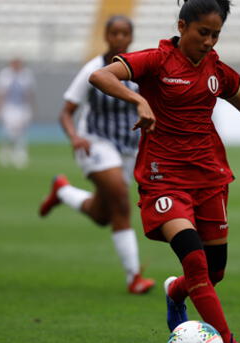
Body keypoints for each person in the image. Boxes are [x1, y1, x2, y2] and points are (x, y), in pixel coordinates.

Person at [88, 1, 240, 343]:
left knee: (213, 273)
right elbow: (101, 76)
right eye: (203, 33)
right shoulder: (156, 60)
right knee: (196, 262)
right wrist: (137, 100)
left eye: (216, 34)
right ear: (182, 26)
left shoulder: (217, 70)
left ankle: (175, 293)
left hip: (209, 178)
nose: (210, 41)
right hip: (163, 179)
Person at [38, 16, 155, 295]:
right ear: (106, 36)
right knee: (122, 205)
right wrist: (76, 138)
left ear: (131, 37)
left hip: (128, 148)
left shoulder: (138, 69)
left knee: (104, 214)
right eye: (114, 33)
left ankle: (62, 191)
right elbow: (66, 111)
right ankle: (134, 278)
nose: (119, 38)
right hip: (95, 142)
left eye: (124, 33)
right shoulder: (93, 69)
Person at [0, 58, 36, 169]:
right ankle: (5, 151)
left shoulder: (26, 75)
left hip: (21, 107)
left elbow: (29, 93)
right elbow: (0, 93)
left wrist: (29, 108)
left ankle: (20, 153)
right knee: (9, 131)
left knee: (21, 132)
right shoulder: (5, 75)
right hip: (9, 107)